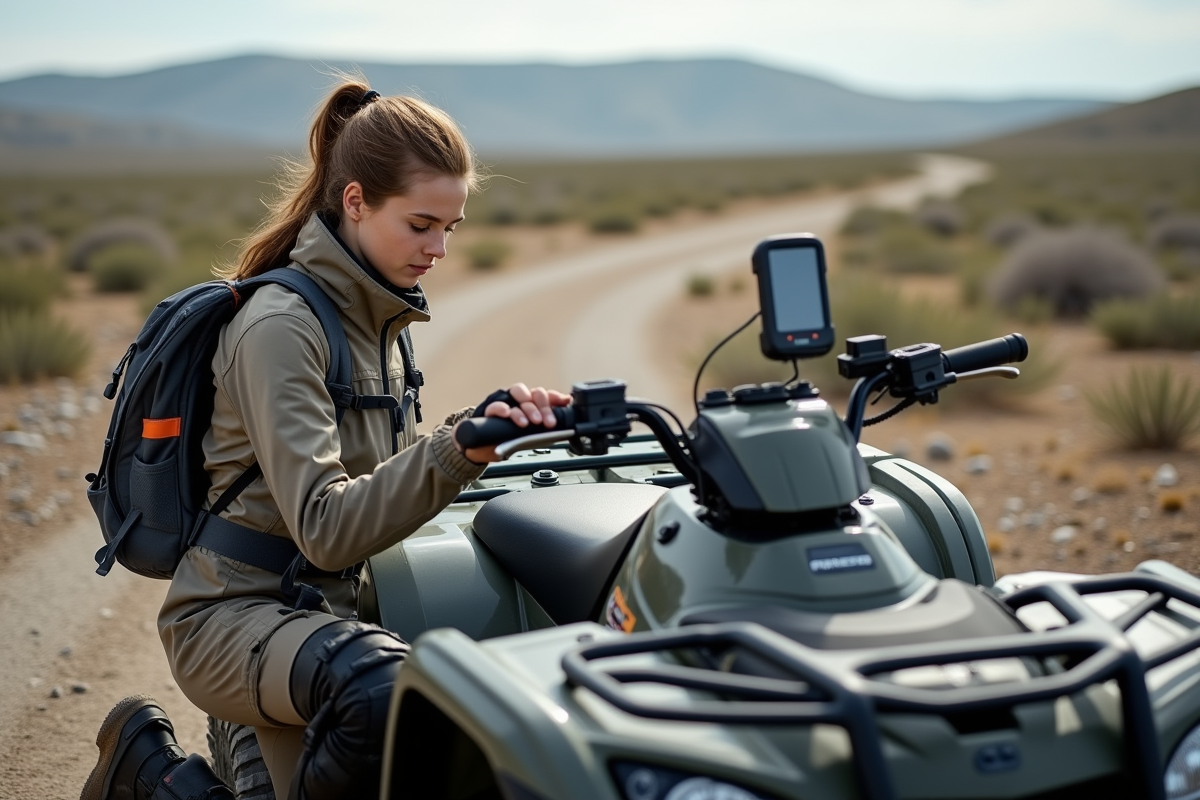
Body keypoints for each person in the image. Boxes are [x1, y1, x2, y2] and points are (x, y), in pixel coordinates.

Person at [81, 81, 569, 800]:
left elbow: (380, 484)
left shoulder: (378, 319)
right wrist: (455, 450)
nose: (438, 249)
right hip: (237, 615)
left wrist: (484, 423)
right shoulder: (282, 326)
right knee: (384, 690)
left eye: (451, 228)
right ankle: (147, 771)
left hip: (329, 619)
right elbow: (326, 529)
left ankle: (153, 773)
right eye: (421, 224)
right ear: (356, 201)